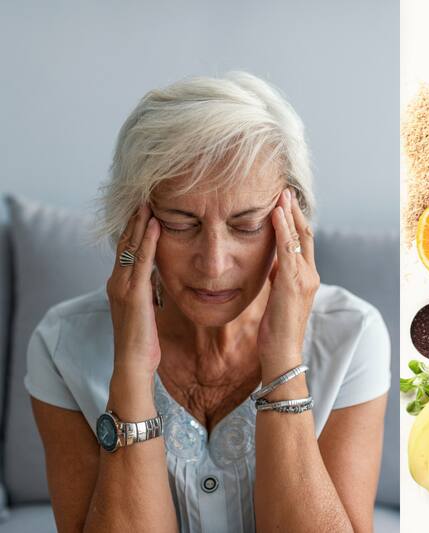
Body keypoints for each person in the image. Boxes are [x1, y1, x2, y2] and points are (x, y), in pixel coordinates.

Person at [25, 71, 391, 532]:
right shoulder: (62, 346)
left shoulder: (353, 335)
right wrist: (133, 372)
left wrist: (281, 364)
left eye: (247, 224)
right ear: (133, 221)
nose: (214, 264)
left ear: (291, 221)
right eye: (181, 223)